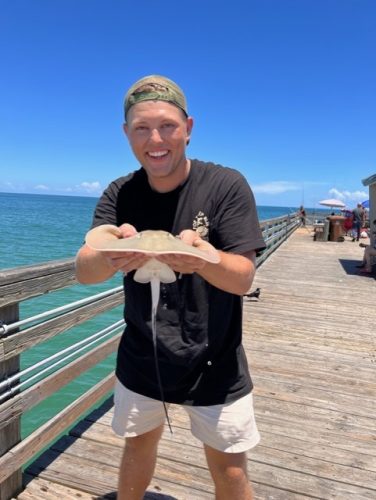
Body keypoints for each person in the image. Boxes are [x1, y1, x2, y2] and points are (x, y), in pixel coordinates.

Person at [75, 75, 266, 500]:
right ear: (126, 134)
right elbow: (85, 271)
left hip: (216, 361)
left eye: (167, 125)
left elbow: (243, 277)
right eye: (141, 128)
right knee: (138, 445)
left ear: (189, 128)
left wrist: (202, 258)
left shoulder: (226, 186)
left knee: (231, 471)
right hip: (142, 354)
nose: (155, 139)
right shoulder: (119, 192)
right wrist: (109, 253)